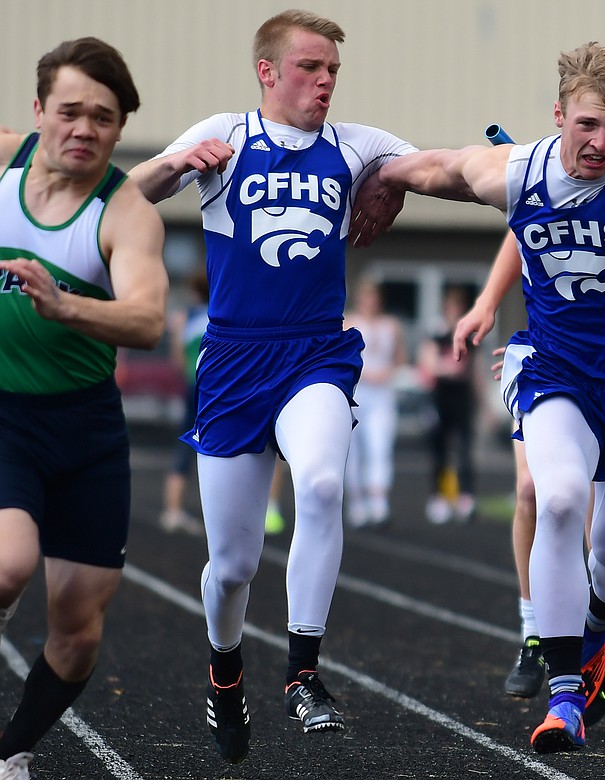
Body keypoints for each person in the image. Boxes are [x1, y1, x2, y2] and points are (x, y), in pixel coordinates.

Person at [354, 41, 605, 753]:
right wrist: (385, 178)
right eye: (588, 125)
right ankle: (562, 697)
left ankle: (596, 636)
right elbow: (443, 165)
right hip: (557, 370)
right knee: (557, 496)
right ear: (559, 113)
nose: (601, 143)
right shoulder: (521, 167)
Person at [127, 10, 418, 764]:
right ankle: (225, 673)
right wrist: (178, 164)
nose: (325, 82)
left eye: (333, 72)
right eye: (310, 68)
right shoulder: (226, 132)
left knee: (321, 484)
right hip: (232, 365)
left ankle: (303, 674)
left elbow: (448, 168)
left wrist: (397, 185)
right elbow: (127, 198)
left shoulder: (355, 146)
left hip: (316, 354)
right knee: (233, 566)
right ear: (267, 71)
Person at [446, 47, 605, 702]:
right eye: (598, 121)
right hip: (556, 354)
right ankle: (540, 638)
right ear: (567, 116)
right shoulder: (553, 167)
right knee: (543, 494)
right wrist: (487, 304)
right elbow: (527, 231)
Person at [0, 38, 168, 779]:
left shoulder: (125, 213)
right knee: (8, 566)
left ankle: (10, 753)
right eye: (69, 111)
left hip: (87, 429)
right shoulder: (3, 166)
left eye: (102, 118)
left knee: (77, 629)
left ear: (118, 128)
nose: (83, 129)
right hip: (5, 411)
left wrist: (64, 304)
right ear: (38, 113)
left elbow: (146, 321)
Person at [343, 279, 407, 527]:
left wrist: (389, 371)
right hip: (356, 392)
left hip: (382, 394)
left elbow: (400, 357)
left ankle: (379, 500)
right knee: (353, 450)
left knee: (380, 446)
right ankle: (356, 502)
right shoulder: (349, 321)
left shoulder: (390, 325)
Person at [418, 286, 480, 524]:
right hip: (440, 397)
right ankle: (438, 497)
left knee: (465, 449)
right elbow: (429, 362)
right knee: (439, 449)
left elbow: (471, 369)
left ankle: (466, 497)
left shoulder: (468, 333)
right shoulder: (437, 332)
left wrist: (484, 405)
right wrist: (447, 368)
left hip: (462, 398)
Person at [161, 271, 211, 535]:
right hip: (215, 389)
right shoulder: (220, 314)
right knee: (218, 450)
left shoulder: (183, 318)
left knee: (185, 445)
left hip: (192, 386)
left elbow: (178, 360)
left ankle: (172, 509)